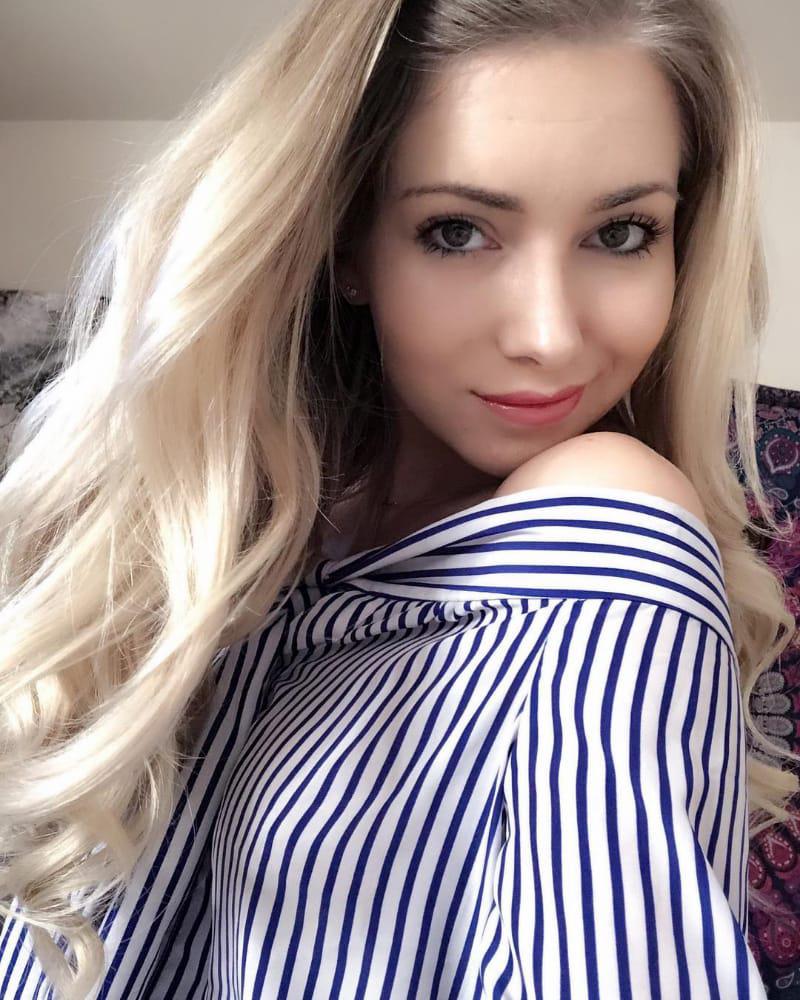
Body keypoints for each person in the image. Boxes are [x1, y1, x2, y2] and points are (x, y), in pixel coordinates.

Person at [0, 0, 797, 996]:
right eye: (457, 231)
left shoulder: (611, 515)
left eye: (621, 232)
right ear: (347, 242)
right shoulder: (207, 537)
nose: (548, 334)